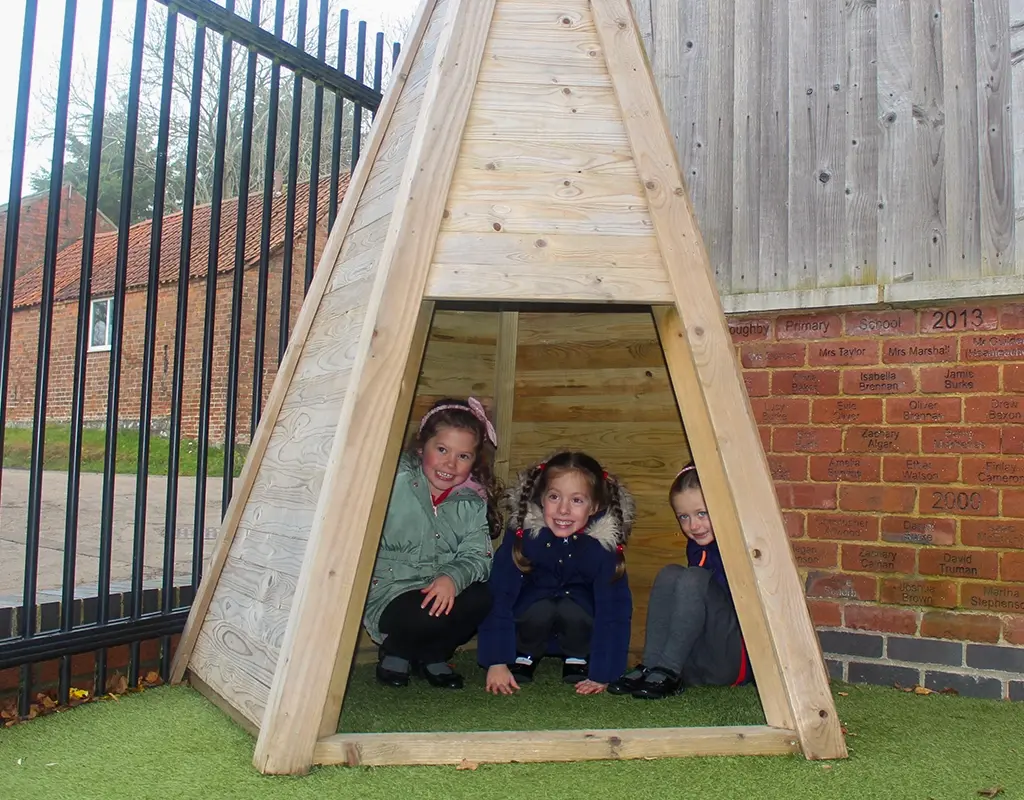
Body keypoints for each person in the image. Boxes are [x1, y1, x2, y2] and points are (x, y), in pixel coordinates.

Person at [363, 397, 501, 690]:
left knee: (482, 598)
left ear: (474, 461)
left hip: (439, 589)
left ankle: (433, 654)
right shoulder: (394, 480)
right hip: (390, 590)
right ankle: (397, 650)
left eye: (463, 456)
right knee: (424, 612)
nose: (450, 464)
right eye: (442, 450)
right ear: (421, 447)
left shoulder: (471, 500)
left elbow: (479, 557)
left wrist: (452, 577)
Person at [477, 451, 634, 696]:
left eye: (577, 500)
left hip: (581, 627)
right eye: (554, 497)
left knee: (572, 606)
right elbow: (499, 594)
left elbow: (614, 609)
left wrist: (604, 673)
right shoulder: (525, 536)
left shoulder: (602, 547)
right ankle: (524, 655)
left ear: (593, 506)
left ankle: (578, 656)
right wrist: (496, 661)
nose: (563, 509)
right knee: (541, 605)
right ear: (541, 498)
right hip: (527, 626)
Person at [608, 462, 752, 700]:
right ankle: (652, 665)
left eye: (702, 514)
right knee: (670, 573)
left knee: (694, 577)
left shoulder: (740, 544)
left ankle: (669, 670)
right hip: (696, 663)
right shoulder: (696, 546)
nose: (693, 526)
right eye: (683, 517)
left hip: (732, 661)